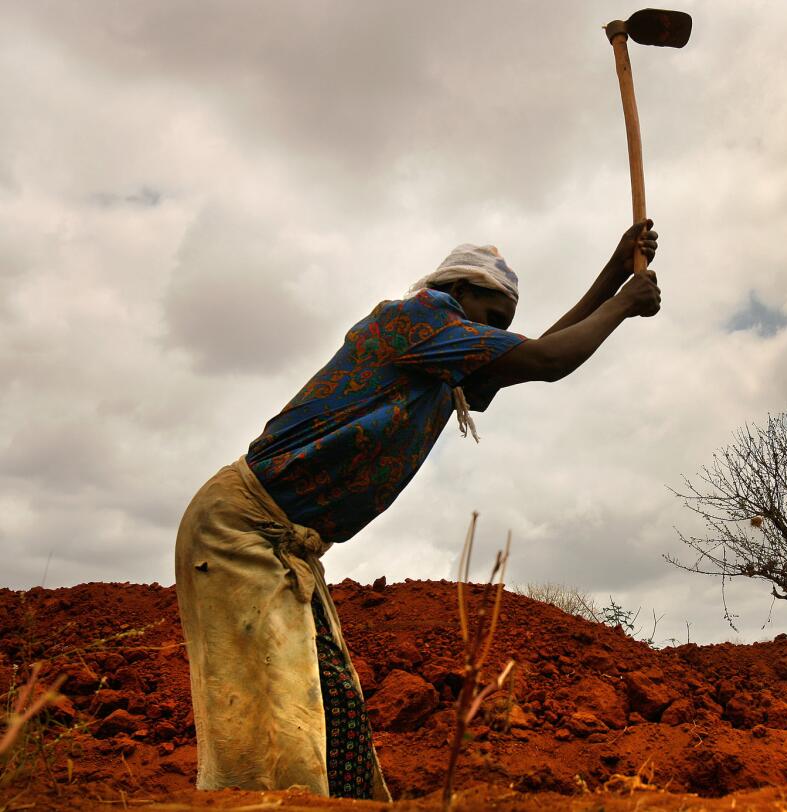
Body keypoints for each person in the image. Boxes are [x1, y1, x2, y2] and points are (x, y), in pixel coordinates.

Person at [173, 220, 660, 800]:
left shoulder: (448, 352)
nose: (497, 335)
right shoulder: (420, 319)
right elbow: (548, 359)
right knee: (272, 723)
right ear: (461, 294)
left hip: (284, 542)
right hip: (240, 530)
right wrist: (624, 302)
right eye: (493, 318)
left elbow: (532, 354)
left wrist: (613, 271)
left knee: (330, 708)